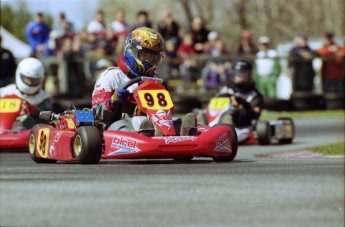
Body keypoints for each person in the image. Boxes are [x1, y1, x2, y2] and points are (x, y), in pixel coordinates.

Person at [91, 27, 197, 136]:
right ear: (131, 50)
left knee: (176, 121)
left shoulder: (156, 78)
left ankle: (184, 132)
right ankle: (146, 135)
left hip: (153, 122)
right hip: (121, 123)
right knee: (123, 128)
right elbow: (96, 115)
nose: (148, 60)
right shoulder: (111, 76)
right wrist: (113, 101)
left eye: (152, 56)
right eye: (145, 55)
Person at [0, 58, 52, 129]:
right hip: (4, 131)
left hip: (27, 135)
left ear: (41, 79)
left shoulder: (44, 98)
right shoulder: (5, 92)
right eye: (27, 79)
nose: (30, 83)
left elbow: (50, 122)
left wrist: (34, 111)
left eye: (34, 80)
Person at [218, 59, 264, 128]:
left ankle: (227, 124)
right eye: (237, 73)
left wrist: (242, 103)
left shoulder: (254, 95)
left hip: (244, 128)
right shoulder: (226, 90)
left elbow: (255, 114)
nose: (240, 76)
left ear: (249, 75)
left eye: (243, 73)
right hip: (218, 123)